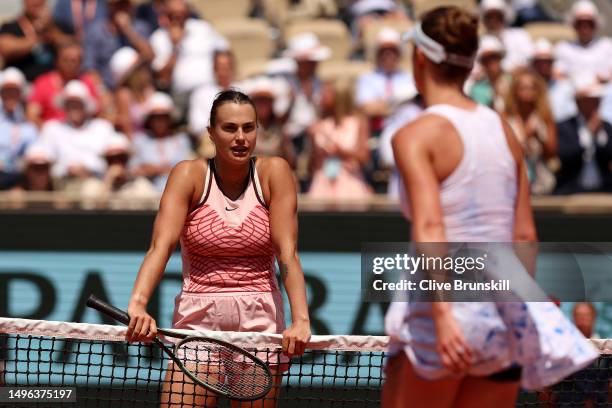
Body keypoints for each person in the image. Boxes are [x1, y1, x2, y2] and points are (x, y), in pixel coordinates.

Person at [382, 7, 598, 408]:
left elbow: (430, 228)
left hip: (438, 320)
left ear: (420, 58)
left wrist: (445, 318)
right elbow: (525, 236)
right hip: (501, 321)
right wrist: (520, 319)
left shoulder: (414, 135)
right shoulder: (504, 129)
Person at [125, 90, 311, 407]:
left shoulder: (274, 173)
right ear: (211, 132)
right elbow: (160, 247)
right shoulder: (187, 175)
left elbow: (287, 254)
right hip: (197, 320)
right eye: (229, 128)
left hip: (260, 320)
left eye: (248, 128)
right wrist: (138, 304)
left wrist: (302, 319)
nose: (240, 137)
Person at [38, 80, 116, 183]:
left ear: (85, 106)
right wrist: (67, 169)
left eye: (78, 104)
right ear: (64, 106)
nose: (74, 108)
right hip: (63, 184)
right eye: (70, 104)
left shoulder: (102, 128)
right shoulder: (52, 128)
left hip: (98, 182)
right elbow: (44, 162)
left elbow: (114, 160)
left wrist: (89, 170)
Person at [149, 0, 229, 96]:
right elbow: (163, 78)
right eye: (173, 15)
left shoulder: (203, 28)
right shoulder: (158, 37)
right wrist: (174, 47)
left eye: (182, 14)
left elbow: (225, 50)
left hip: (210, 90)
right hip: (180, 95)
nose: (178, 18)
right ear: (165, 16)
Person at [307, 82, 372, 200]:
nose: (323, 96)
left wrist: (340, 152)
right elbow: (313, 165)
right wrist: (312, 140)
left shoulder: (357, 123)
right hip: (323, 182)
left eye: (327, 93)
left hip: (350, 181)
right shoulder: (319, 125)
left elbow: (364, 156)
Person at [502, 67, 558, 195]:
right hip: (513, 180)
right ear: (515, 90)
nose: (528, 92)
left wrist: (539, 138)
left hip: (540, 180)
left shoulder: (545, 116)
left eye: (532, 88)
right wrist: (526, 136)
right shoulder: (505, 117)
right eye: (523, 88)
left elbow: (552, 153)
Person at [555, 75, 612, 194]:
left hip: (603, 191)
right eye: (589, 101)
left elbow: (608, 156)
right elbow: (567, 155)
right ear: (578, 102)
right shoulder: (565, 126)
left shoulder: (606, 127)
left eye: (597, 100)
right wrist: (588, 134)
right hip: (571, 191)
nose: (595, 104)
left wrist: (599, 136)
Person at [27, 41, 104, 127]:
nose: (70, 64)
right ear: (57, 61)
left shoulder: (88, 83)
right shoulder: (43, 83)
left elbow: (101, 112)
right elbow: (32, 115)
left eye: (75, 60)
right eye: (66, 60)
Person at [355, 27, 415, 136]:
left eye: (392, 50)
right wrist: (400, 103)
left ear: (399, 53)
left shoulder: (410, 78)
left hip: (407, 130)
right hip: (377, 133)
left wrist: (384, 105)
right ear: (377, 53)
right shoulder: (367, 78)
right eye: (383, 51)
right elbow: (367, 108)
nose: (388, 55)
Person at [84, 0, 154, 89]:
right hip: (106, 87)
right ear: (110, 7)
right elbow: (89, 68)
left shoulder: (141, 27)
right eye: (119, 5)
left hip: (137, 88)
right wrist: (101, 91)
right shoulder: (95, 31)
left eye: (126, 5)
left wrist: (128, 30)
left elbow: (150, 56)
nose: (123, 9)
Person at [130, 92, 193, 191]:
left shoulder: (181, 140)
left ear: (170, 118)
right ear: (149, 120)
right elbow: (133, 170)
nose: (160, 121)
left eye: (164, 117)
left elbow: (189, 170)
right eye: (156, 117)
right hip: (147, 193)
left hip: (179, 191)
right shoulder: (140, 141)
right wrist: (144, 171)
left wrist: (156, 170)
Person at [0, 0, 72, 82]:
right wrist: (38, 36)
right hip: (22, 84)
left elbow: (73, 48)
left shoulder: (56, 27)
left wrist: (52, 31)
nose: (36, 2)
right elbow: (5, 49)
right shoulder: (10, 27)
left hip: (53, 84)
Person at [555, 0, 612, 83]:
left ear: (595, 25)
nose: (585, 28)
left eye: (589, 23)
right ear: (574, 26)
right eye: (580, 23)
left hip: (604, 90)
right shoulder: (563, 48)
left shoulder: (607, 46)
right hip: (572, 91)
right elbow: (558, 74)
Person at [0, 68, 38, 190]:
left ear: (21, 95)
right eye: (7, 91)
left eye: (15, 92)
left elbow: (32, 155)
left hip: (14, 178)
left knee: (18, 196)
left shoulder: (28, 127)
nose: (10, 96)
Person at [241, 75, 293, 162]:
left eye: (266, 101)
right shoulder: (244, 128)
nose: (263, 105)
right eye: (259, 101)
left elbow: (291, 161)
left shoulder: (280, 129)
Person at [188, 50, 237, 139]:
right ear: (214, 69)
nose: (224, 71)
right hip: (212, 140)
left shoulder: (244, 91)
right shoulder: (200, 94)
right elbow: (197, 126)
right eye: (221, 67)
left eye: (227, 66)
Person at [110, 47, 156, 137]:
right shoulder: (124, 95)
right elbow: (127, 130)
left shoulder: (149, 90)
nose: (145, 72)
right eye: (139, 69)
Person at [530, 38, 577, 122]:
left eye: (547, 62)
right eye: (539, 62)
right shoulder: (526, 87)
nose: (543, 66)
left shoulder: (565, 87)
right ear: (534, 63)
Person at [480, 0, 534, 71]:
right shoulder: (479, 42)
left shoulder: (520, 35)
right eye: (490, 17)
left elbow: (532, 59)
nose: (494, 20)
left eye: (498, 16)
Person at [468, 35, 510, 110]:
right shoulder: (477, 88)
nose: (491, 63)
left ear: (500, 58)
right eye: (486, 60)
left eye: (494, 58)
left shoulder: (514, 81)